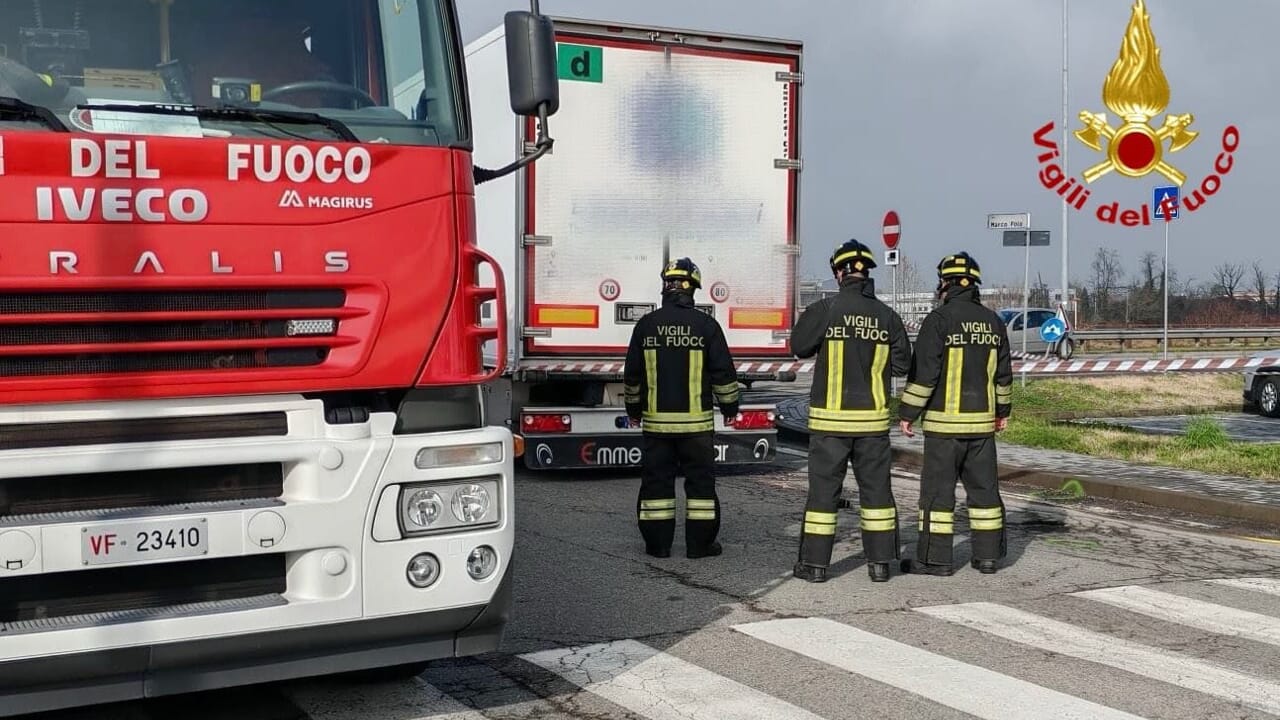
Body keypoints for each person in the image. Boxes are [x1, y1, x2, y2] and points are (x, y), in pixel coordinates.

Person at [790, 239, 911, 583]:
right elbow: (903, 365)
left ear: (839, 272)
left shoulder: (825, 310)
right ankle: (881, 565)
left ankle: (814, 567)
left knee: (823, 494)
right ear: (866, 273)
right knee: (876, 493)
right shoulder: (887, 316)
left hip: (829, 424)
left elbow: (799, 347)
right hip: (872, 424)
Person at [898, 252, 1014, 576]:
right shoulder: (994, 322)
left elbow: (924, 375)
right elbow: (1003, 376)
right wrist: (1002, 411)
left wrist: (907, 413)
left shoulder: (938, 321)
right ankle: (988, 558)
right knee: (985, 493)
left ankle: (936, 561)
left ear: (945, 284)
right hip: (981, 428)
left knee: (938, 497)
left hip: (943, 430)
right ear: (974, 284)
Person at [623, 258, 740, 559]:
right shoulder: (707, 326)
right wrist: (730, 406)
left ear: (666, 287)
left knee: (656, 484)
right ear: (693, 288)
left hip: (657, 427)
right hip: (696, 428)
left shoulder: (646, 326)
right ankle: (699, 546)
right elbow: (723, 373)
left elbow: (633, 376)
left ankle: (657, 545)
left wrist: (634, 411)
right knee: (700, 486)